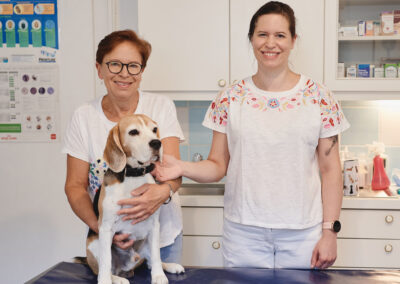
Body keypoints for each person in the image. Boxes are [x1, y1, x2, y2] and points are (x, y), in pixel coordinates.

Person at [156, 1, 350, 269]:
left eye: (280, 35)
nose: (271, 43)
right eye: (263, 34)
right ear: (251, 39)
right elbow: (217, 165)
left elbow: (331, 170)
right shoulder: (230, 98)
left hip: (302, 232)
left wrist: (330, 232)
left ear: (293, 40)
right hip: (243, 233)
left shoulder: (319, 97)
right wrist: (181, 166)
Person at [62, 29, 184, 263]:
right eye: (114, 64)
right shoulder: (84, 116)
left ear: (142, 71)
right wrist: (100, 227)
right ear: (99, 69)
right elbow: (75, 186)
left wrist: (161, 192)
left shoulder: (161, 106)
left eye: (133, 66)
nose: (124, 74)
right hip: (110, 236)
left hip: (160, 238)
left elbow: (173, 172)